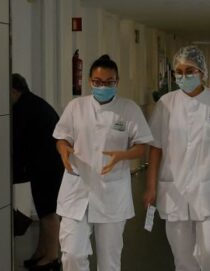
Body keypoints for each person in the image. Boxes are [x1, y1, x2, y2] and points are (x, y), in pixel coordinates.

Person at [144, 45, 210, 271]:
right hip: (175, 191)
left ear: (202, 72)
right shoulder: (166, 104)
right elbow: (155, 148)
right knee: (182, 258)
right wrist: (151, 186)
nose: (184, 76)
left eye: (190, 70)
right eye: (179, 71)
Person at [53, 55, 153, 271]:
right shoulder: (76, 106)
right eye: (98, 82)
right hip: (77, 189)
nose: (103, 87)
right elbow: (62, 137)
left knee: (109, 261)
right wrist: (63, 150)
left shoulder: (128, 109)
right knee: (71, 254)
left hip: (111, 192)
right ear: (90, 81)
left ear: (117, 82)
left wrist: (121, 155)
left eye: (109, 82)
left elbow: (141, 146)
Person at [12, 73, 64, 270]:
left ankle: (51, 257)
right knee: (44, 211)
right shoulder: (33, 104)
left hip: (47, 167)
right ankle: (42, 252)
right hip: (47, 165)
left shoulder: (24, 108)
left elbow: (19, 143)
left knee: (48, 213)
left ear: (14, 91)